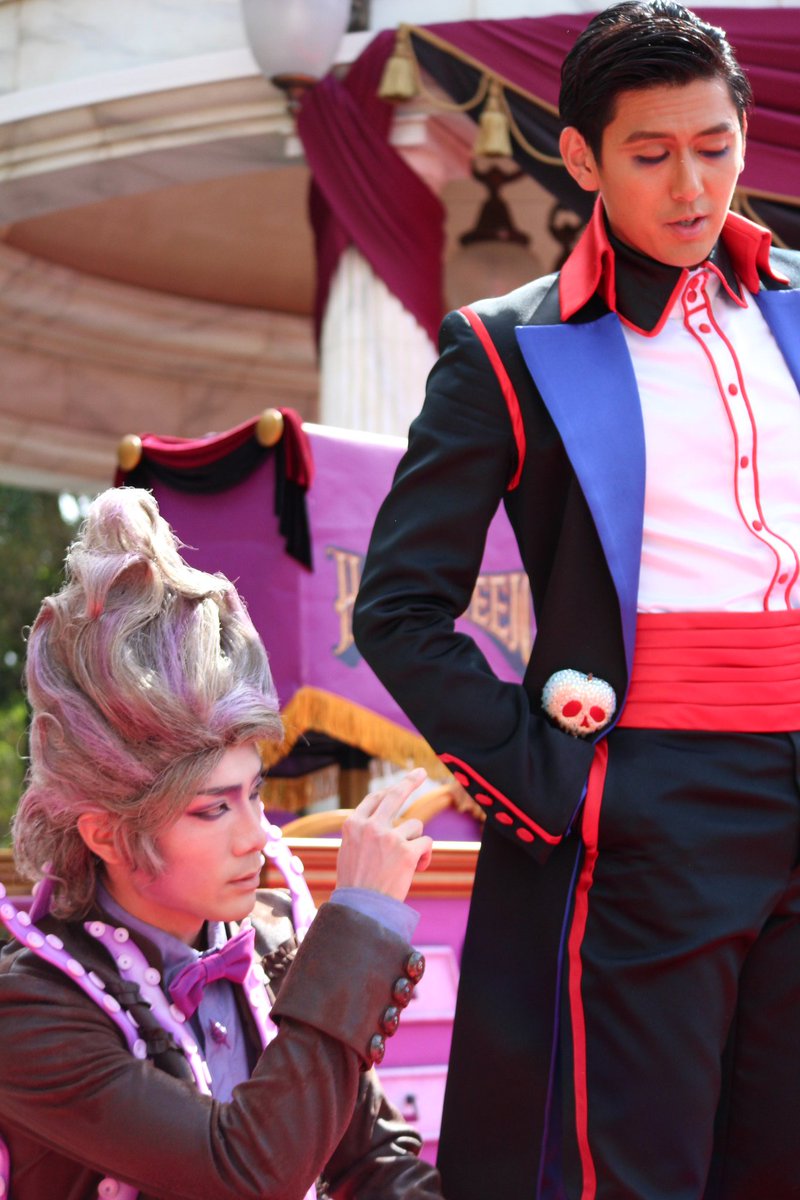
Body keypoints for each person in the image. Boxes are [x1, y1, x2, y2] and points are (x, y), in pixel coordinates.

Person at [352, 4, 800, 1198]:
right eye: (650, 154)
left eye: (713, 146)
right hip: (649, 801)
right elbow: (396, 606)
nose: (690, 185)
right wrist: (551, 782)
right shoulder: (505, 347)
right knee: (634, 1173)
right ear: (580, 158)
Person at [0, 487, 445, 1200]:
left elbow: (371, 1161)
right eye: (213, 809)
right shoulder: (29, 1010)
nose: (258, 837)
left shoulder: (273, 936)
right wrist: (360, 925)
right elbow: (243, 1176)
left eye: (255, 793)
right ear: (106, 833)